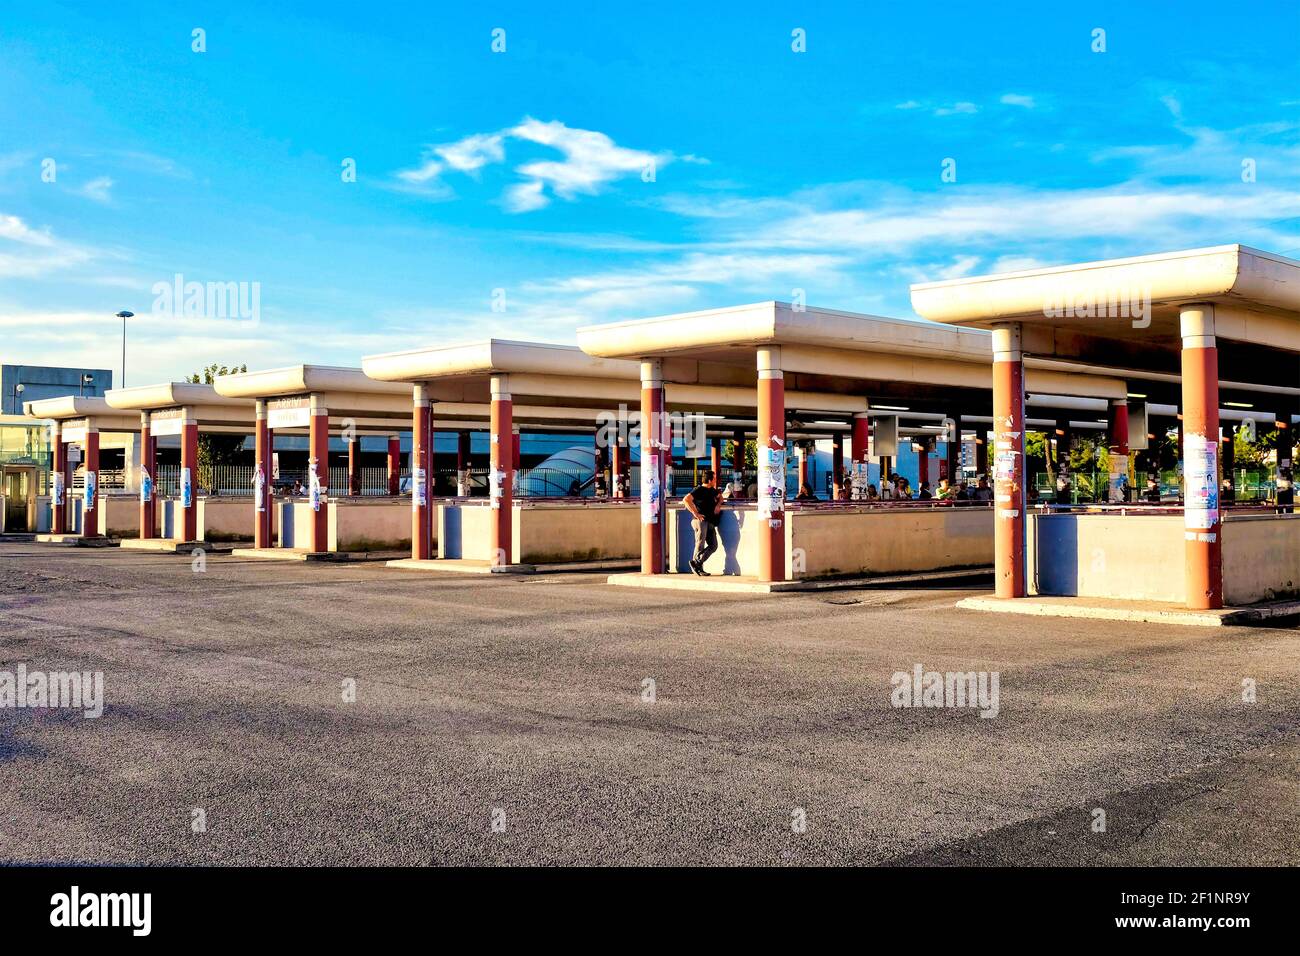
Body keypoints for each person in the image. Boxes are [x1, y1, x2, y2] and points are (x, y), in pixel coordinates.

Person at [684, 468, 724, 576]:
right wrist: (695, 513)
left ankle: (696, 562)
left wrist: (718, 505)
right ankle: (698, 568)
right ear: (710, 480)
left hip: (710, 521)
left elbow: (721, 498)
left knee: (714, 545)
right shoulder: (699, 490)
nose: (716, 480)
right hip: (700, 520)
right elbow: (686, 499)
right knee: (700, 544)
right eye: (714, 479)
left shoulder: (713, 491)